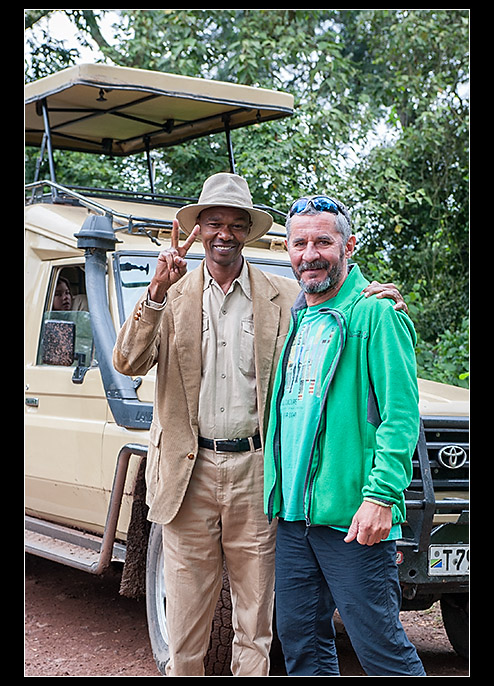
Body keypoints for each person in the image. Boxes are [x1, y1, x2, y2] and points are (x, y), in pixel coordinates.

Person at [113, 174, 407, 677]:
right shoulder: (170, 295)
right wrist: (156, 291)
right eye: (214, 223)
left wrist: (379, 296)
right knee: (184, 629)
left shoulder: (286, 296)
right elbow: (127, 362)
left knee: (257, 626)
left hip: (259, 474)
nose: (224, 233)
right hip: (188, 475)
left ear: (248, 232)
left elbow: (336, 296)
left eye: (235, 224)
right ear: (199, 229)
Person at [263, 194, 426, 676]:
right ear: (288, 250)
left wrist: (381, 497)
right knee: (302, 648)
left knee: (382, 651)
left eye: (323, 242)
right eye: (299, 244)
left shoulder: (376, 314)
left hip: (355, 518)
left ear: (348, 247)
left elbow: (401, 417)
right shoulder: (296, 317)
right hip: (295, 518)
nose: (310, 254)